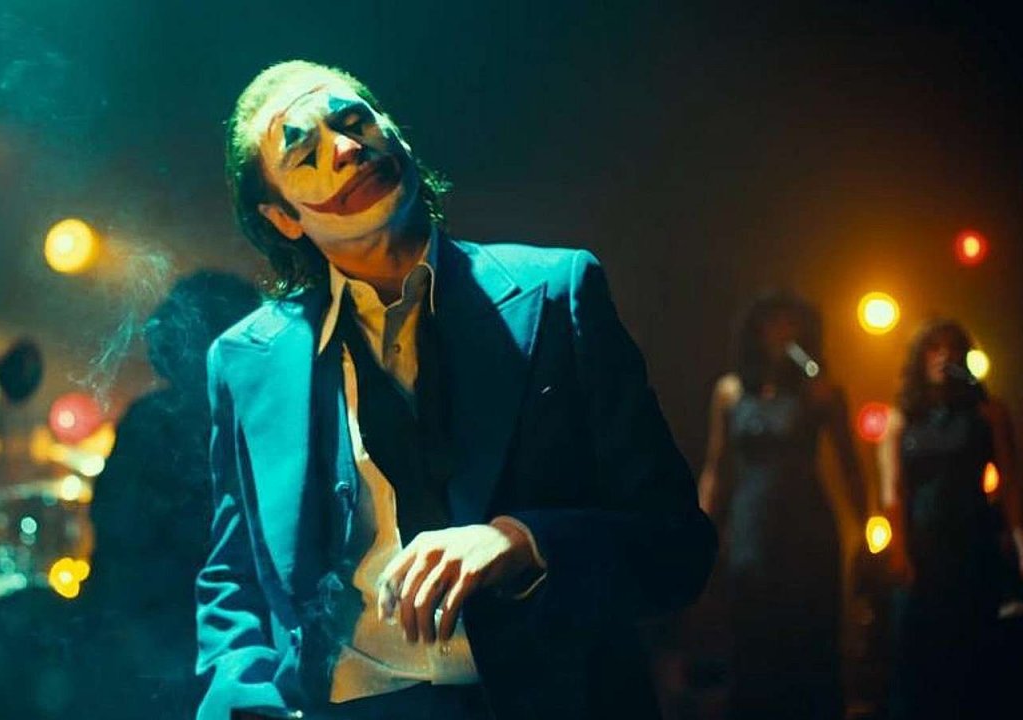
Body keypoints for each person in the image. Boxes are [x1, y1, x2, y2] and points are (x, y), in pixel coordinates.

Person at [195, 60, 715, 720]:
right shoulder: (246, 362)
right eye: (306, 153)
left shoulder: (559, 293)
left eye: (354, 121)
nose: (347, 149)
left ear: (395, 132)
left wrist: (523, 542)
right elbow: (236, 575)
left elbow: (676, 542)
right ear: (283, 218)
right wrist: (242, 699)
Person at [82, 270, 259, 718]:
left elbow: (114, 523)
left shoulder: (155, 418)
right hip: (196, 645)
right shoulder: (256, 421)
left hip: (155, 645)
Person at [697, 290, 864, 720]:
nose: (783, 333)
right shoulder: (731, 391)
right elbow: (716, 468)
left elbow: (849, 465)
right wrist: (701, 531)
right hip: (752, 528)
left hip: (807, 529)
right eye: (774, 323)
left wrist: (865, 529)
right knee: (754, 642)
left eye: (792, 324)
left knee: (808, 641)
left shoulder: (821, 390)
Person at [878, 318, 1023, 719]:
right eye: (934, 348)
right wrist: (899, 551)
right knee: (920, 659)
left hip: (973, 541)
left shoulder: (987, 413)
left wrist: (1019, 543)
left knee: (974, 656)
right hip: (923, 546)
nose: (943, 356)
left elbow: (1010, 484)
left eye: (951, 348)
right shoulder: (902, 418)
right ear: (920, 358)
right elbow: (893, 492)